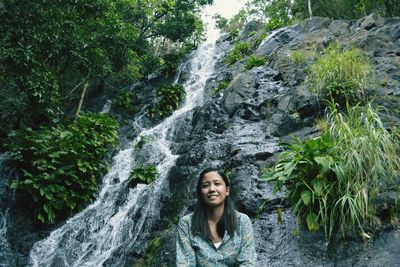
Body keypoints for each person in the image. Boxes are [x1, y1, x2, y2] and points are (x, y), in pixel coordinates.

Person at [176, 168, 256, 266]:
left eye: (217, 184)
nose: (212, 189)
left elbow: (248, 262)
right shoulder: (187, 224)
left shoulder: (242, 221)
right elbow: (185, 263)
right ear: (200, 193)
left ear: (227, 191)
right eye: (206, 185)